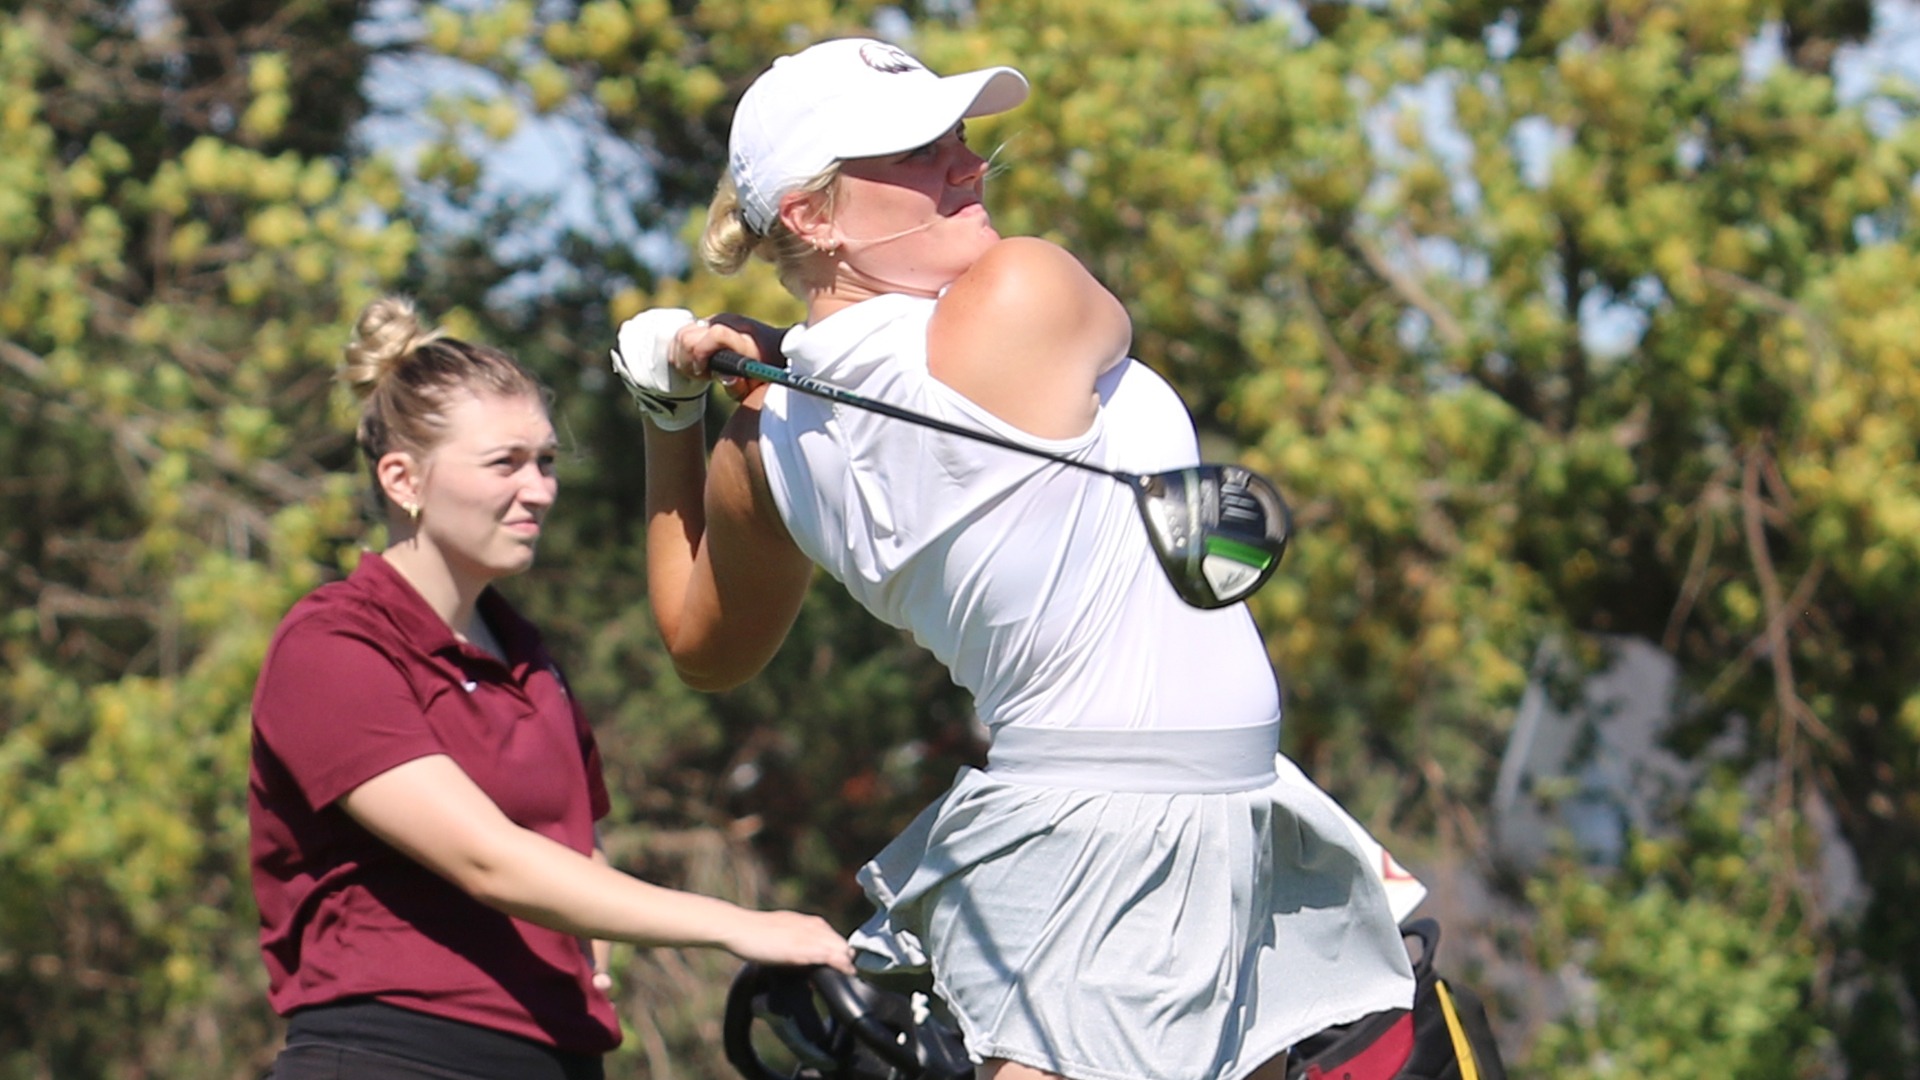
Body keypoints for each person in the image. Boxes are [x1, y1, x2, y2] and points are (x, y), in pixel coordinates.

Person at [618, 37, 1416, 1080]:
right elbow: (963, 371)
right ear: (810, 215)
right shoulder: (1022, 288)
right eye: (914, 151)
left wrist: (666, 416)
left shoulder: (756, 450)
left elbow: (699, 642)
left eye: (959, 136)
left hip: (1187, 814)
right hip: (1130, 835)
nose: (966, 165)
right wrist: (772, 348)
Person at [248, 296, 855, 1080]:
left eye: (545, 462)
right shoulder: (331, 645)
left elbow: (572, 849)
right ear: (403, 479)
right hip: (392, 1055)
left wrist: (592, 952)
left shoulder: (525, 653)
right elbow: (488, 859)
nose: (538, 491)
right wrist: (736, 925)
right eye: (505, 463)